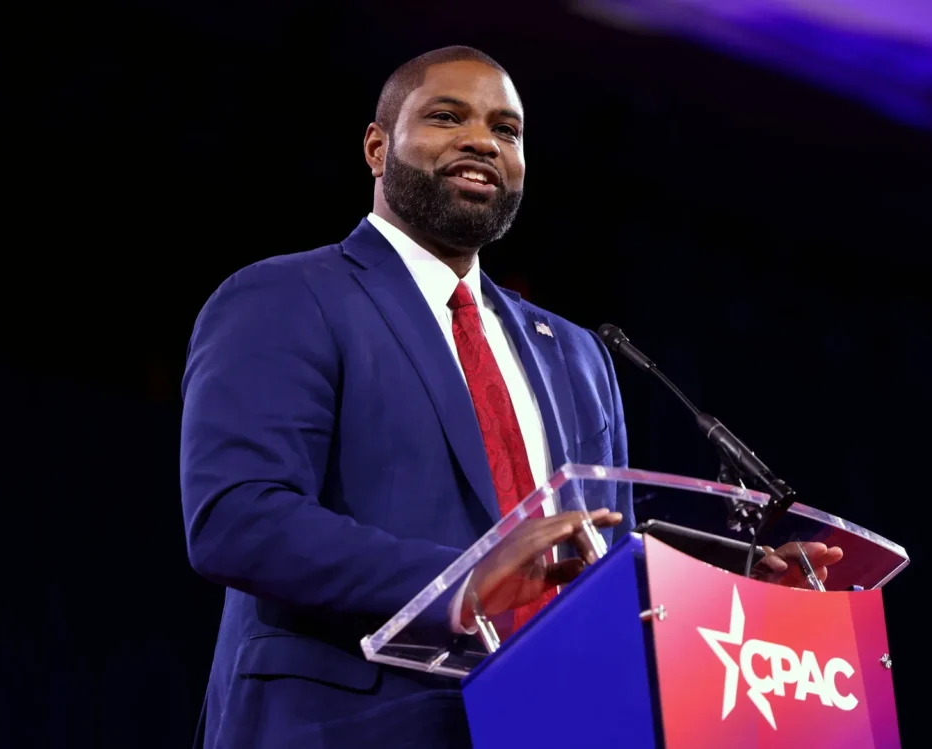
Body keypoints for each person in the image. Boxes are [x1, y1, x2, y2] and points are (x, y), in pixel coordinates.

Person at [179, 45, 842, 749]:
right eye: (446, 117)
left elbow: (597, 568)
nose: (482, 142)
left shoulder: (578, 355)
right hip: (344, 727)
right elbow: (237, 518)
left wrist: (732, 596)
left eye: (507, 130)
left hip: (549, 727)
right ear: (377, 148)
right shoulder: (287, 296)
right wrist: (462, 579)